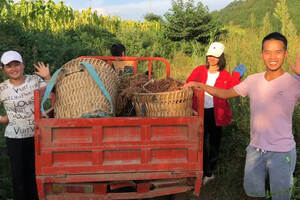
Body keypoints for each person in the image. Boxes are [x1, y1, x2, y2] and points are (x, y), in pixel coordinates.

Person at [184, 32, 300, 200]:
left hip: (282, 153)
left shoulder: (294, 82)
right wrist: (200, 84)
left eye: (278, 52)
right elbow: (224, 93)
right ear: (262, 54)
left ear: (285, 53)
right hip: (255, 151)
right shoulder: (253, 80)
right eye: (268, 52)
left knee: (280, 196)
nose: (272, 57)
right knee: (253, 194)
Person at [186, 42, 246, 185]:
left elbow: (233, 90)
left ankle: (210, 171)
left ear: (221, 58)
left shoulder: (225, 75)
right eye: (210, 55)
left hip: (217, 113)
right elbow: (189, 83)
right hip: (199, 111)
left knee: (214, 142)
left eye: (215, 56)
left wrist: (237, 76)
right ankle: (203, 170)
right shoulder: (199, 70)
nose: (211, 58)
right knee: (200, 141)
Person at [0, 50, 51, 200]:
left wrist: (47, 76)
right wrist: (4, 119)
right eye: (9, 66)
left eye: (17, 64)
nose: (13, 69)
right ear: (3, 69)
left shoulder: (35, 80)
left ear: (23, 65)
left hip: (36, 136)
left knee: (34, 173)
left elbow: (53, 92)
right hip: (14, 138)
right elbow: (4, 118)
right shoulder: (2, 88)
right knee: (18, 176)